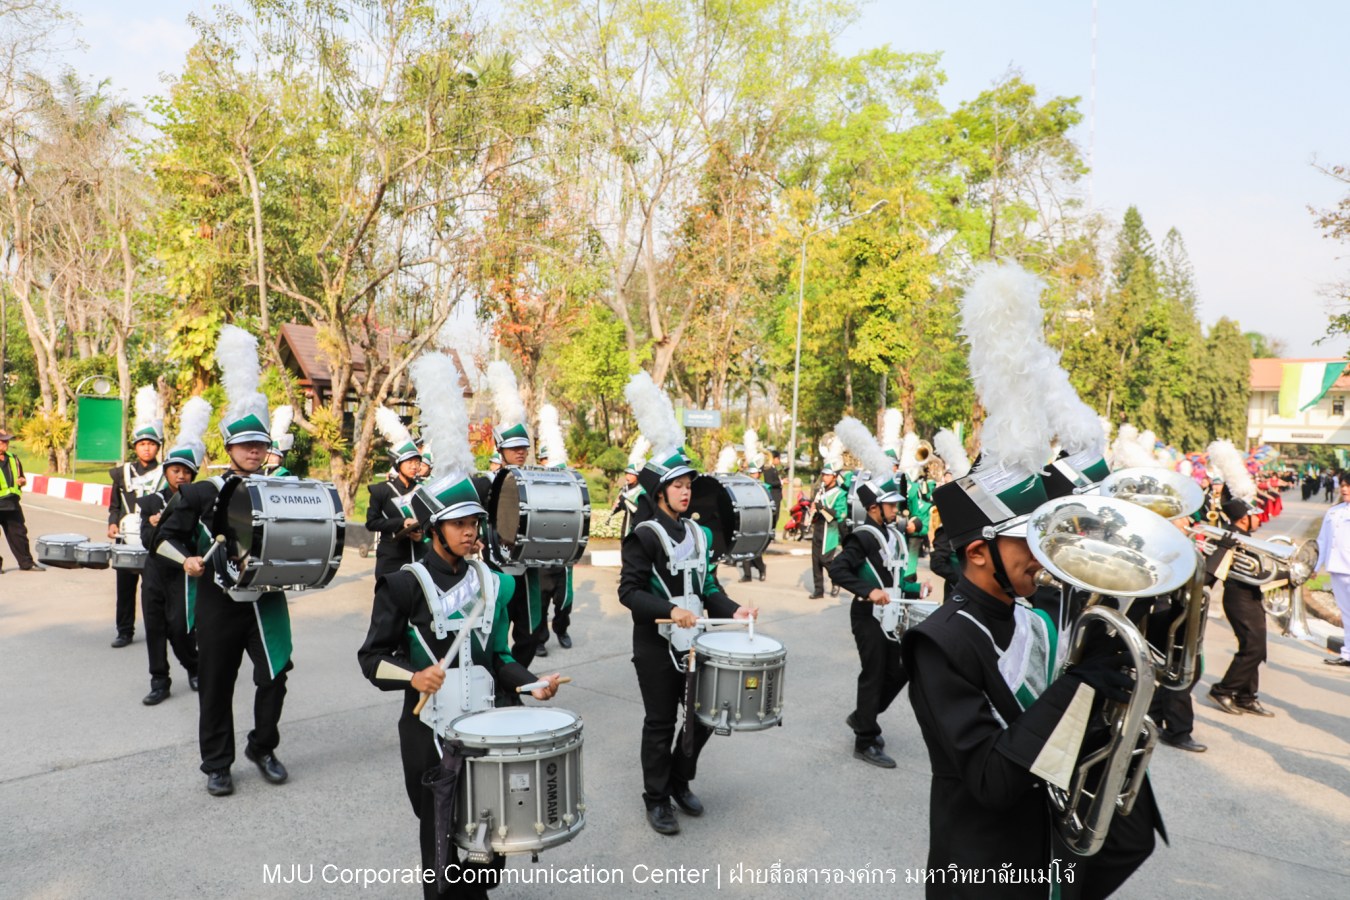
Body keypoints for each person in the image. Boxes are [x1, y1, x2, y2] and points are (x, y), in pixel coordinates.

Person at [357, 469, 562, 900]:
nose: (469, 532)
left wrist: (531, 684)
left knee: (490, 843)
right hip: (429, 731)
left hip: (487, 730)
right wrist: (413, 676)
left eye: (474, 523)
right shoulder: (403, 585)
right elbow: (371, 658)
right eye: (458, 525)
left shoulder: (492, 583)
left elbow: (500, 657)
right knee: (440, 848)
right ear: (436, 530)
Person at [156, 326, 293, 797]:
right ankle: (217, 762)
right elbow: (160, 537)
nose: (254, 451)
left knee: (275, 675)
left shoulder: (282, 488)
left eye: (260, 445)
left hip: (266, 598)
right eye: (245, 445)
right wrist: (188, 559)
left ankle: (262, 746)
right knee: (216, 683)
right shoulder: (200, 492)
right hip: (219, 598)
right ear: (228, 448)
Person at [619, 445, 756, 835]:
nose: (685, 492)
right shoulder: (644, 535)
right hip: (656, 645)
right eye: (677, 485)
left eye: (687, 486)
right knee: (660, 724)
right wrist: (668, 608)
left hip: (696, 641)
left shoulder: (698, 533)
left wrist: (733, 610)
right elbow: (628, 592)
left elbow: (708, 586)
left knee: (703, 717)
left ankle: (680, 779)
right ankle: (657, 798)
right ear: (659, 492)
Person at [829, 475, 924, 768]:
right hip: (866, 614)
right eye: (890, 505)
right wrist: (867, 591)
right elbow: (838, 570)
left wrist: (915, 589)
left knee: (901, 668)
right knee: (873, 673)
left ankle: (862, 717)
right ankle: (865, 739)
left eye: (896, 505)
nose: (896, 510)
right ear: (873, 509)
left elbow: (891, 579)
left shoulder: (891, 534)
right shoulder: (863, 536)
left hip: (891, 614)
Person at [135, 396, 210, 706]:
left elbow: (200, 537)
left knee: (180, 627)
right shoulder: (152, 501)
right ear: (166, 472)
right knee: (154, 627)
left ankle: (193, 667)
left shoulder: (201, 501)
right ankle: (159, 680)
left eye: (187, 471)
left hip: (182, 574)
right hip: (154, 573)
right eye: (175, 470)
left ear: (193, 476)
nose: (181, 476)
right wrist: (153, 525)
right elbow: (146, 539)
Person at [1207, 497, 1277, 716]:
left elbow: (1257, 572)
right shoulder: (1230, 539)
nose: (1260, 519)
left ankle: (1246, 696)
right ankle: (1223, 690)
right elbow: (1209, 577)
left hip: (1252, 598)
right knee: (1253, 648)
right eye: (1255, 515)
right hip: (1239, 600)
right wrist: (1223, 548)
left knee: (1257, 648)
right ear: (1245, 519)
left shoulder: (1246, 539)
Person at [107, 390, 166, 648]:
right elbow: (114, 503)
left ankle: (159, 629)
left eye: (151, 444)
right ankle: (124, 630)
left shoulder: (166, 473)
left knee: (154, 589)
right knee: (125, 587)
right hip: (126, 537)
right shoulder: (122, 473)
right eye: (142, 444)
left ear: (157, 447)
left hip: (154, 539)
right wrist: (111, 522)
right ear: (135, 446)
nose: (146, 447)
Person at [366, 435, 427, 580]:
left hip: (419, 558)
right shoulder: (382, 490)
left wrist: (421, 535)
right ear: (398, 464)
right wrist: (402, 522)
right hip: (391, 558)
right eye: (409, 462)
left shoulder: (423, 490)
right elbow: (371, 523)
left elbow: (431, 522)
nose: (414, 466)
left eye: (417, 462)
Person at [1315, 478, 1350, 668]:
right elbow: (1322, 541)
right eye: (1343, 485)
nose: (1344, 489)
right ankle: (1348, 654)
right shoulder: (1333, 512)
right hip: (1337, 567)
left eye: (1348, 485)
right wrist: (1314, 567)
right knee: (1346, 614)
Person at [0, 428, 40, 572]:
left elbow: (21, 476)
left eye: (7, 440)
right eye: (3, 441)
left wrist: (22, 480)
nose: (6, 443)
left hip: (12, 504)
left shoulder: (13, 458)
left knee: (19, 534)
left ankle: (26, 563)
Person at [808, 463, 848, 599]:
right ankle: (818, 590)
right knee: (815, 560)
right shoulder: (821, 490)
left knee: (825, 559)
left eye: (827, 475)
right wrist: (813, 510)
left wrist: (822, 508)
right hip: (818, 526)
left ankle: (836, 580)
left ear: (835, 477)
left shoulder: (840, 493)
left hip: (830, 528)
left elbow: (841, 513)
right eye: (823, 474)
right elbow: (816, 507)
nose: (824, 477)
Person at [737, 463, 772, 583]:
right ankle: (747, 575)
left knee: (755, 548)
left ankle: (762, 568)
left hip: (760, 519)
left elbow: (769, 505)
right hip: (747, 518)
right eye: (750, 473)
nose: (752, 475)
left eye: (754, 473)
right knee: (743, 546)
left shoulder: (764, 487)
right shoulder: (745, 486)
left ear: (759, 474)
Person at [610, 463, 645, 537]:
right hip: (627, 520)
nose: (627, 477)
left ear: (637, 475)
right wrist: (616, 507)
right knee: (624, 540)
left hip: (637, 523)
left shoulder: (642, 490)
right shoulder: (625, 488)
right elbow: (621, 504)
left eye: (630, 474)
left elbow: (637, 509)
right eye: (626, 474)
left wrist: (624, 500)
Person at [763, 449, 784, 537]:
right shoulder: (768, 469)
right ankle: (770, 534)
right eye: (778, 458)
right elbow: (769, 482)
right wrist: (781, 482)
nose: (779, 461)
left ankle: (773, 533)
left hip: (777, 496)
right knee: (773, 515)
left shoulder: (774, 469)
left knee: (776, 516)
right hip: (773, 495)